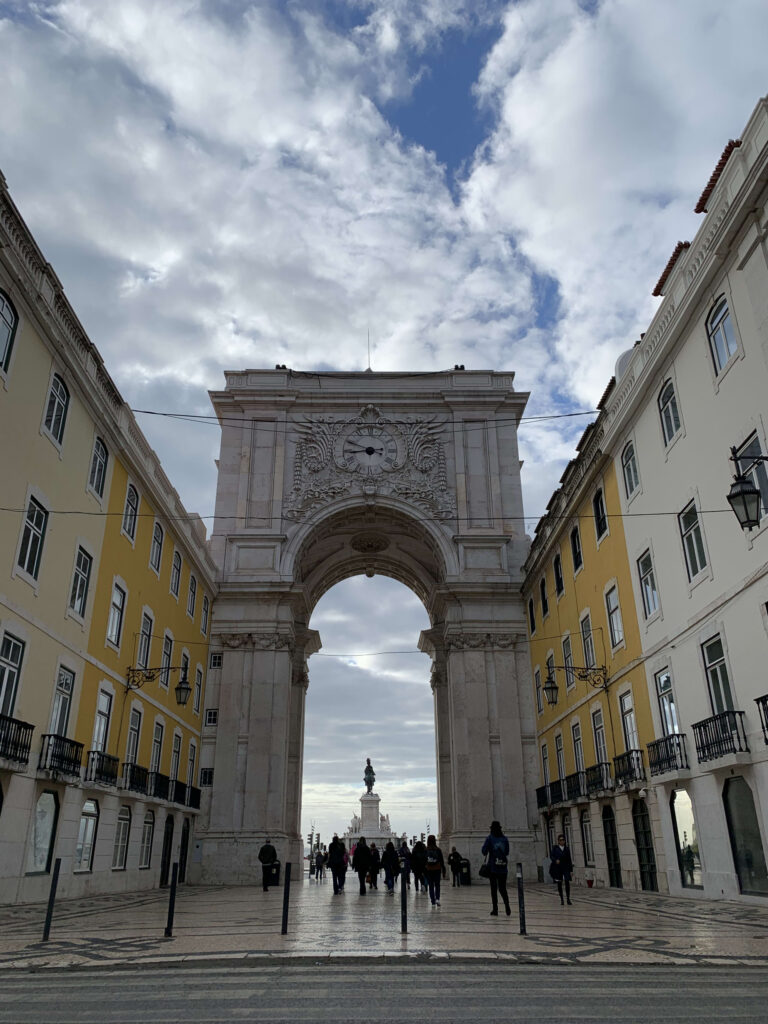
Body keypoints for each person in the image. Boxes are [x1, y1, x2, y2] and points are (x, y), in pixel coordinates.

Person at [482, 821, 511, 917]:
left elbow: (484, 851)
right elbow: (507, 852)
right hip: (503, 866)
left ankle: (495, 909)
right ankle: (507, 906)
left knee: (493, 889)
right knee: (503, 888)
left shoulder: (490, 838)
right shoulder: (505, 839)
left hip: (493, 867)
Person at [549, 833, 573, 906]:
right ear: (558, 841)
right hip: (558, 868)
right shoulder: (555, 848)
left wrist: (571, 870)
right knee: (559, 883)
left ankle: (568, 899)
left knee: (567, 882)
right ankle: (562, 899)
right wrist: (555, 860)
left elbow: (569, 860)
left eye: (563, 840)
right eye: (560, 840)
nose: (562, 841)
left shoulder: (567, 849)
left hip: (566, 868)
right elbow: (551, 856)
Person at [424, 835, 446, 906]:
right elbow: (442, 861)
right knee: (437, 885)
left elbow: (424, 862)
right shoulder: (438, 850)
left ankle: (432, 901)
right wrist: (443, 870)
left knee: (430, 885)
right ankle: (437, 899)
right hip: (437, 869)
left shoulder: (426, 850)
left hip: (429, 869)